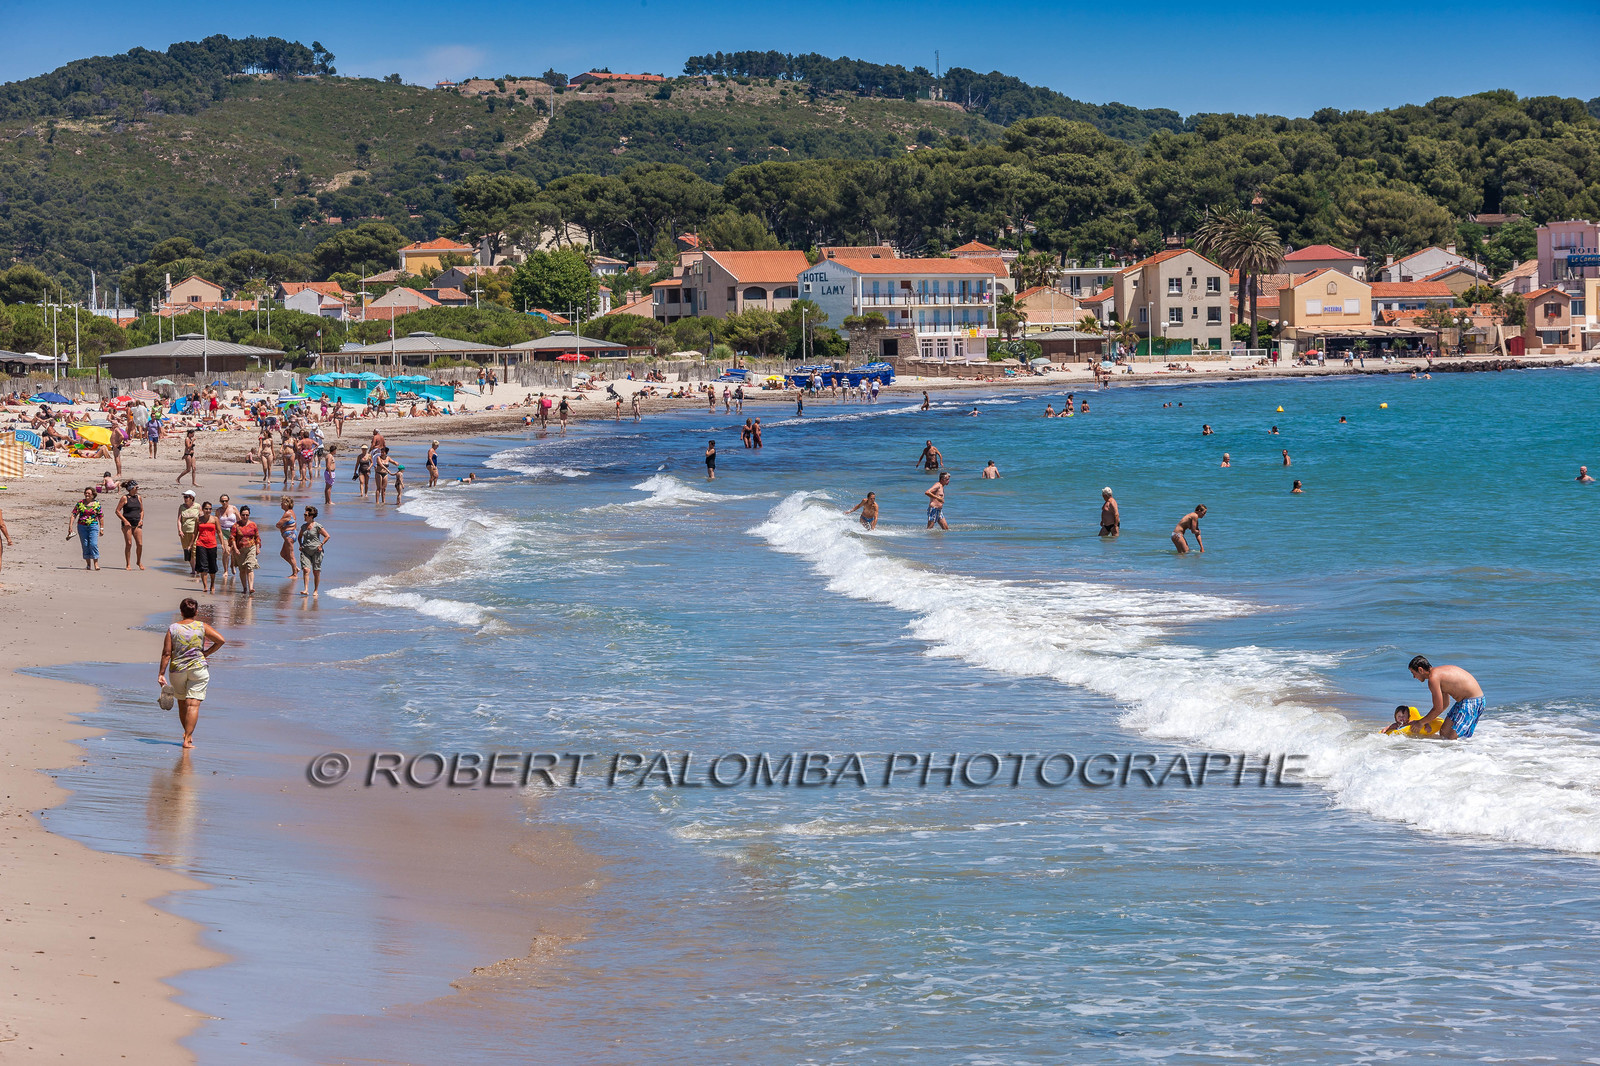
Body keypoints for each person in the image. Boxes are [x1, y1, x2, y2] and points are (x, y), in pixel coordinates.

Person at [157, 597, 225, 748]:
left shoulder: (173, 628)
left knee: (182, 703)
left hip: (177, 670)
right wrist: (206, 653)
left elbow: (166, 653)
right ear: (196, 612)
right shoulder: (202, 626)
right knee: (193, 705)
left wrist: (161, 673)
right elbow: (221, 640)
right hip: (198, 669)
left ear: (181, 612)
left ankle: (187, 734)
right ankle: (187, 738)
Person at [1405, 655, 1485, 740]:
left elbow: (1438, 708)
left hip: (1473, 702)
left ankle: (1468, 751)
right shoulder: (1437, 674)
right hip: (1464, 701)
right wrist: (1426, 721)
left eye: (1413, 673)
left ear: (1420, 670)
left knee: (1451, 738)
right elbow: (1445, 704)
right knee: (1444, 733)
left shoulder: (1433, 679)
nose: (1414, 677)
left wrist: (1420, 722)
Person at [297, 506, 331, 595]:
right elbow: (299, 537)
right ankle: (306, 589)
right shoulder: (303, 526)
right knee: (306, 569)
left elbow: (327, 536)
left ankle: (315, 590)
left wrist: (321, 545)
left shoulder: (317, 526)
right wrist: (300, 545)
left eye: (305, 515)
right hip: (305, 551)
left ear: (311, 516)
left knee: (316, 571)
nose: (304, 516)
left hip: (316, 551)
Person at [69, 487, 104, 571]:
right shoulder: (80, 503)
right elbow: (74, 514)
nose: (87, 495)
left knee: (93, 544)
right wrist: (70, 526)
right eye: (86, 493)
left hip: (93, 526)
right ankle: (88, 564)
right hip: (82, 526)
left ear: (93, 495)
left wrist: (101, 528)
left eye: (89, 493)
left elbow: (101, 517)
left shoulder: (96, 504)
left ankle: (96, 564)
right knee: (85, 545)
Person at [191, 501, 222, 593]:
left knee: (212, 567)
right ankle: (205, 586)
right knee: (203, 566)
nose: (208, 510)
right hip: (201, 544)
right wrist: (191, 543)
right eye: (206, 509)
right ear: (203, 510)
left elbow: (219, 532)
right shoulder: (198, 519)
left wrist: (223, 545)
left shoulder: (215, 519)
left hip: (212, 544)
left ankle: (212, 584)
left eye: (210, 509)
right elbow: (195, 532)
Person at [115, 480, 145, 570]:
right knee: (129, 543)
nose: (137, 489)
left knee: (139, 544)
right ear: (131, 488)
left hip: (137, 523)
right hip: (127, 524)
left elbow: (142, 510)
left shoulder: (139, 497)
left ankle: (138, 561)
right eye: (136, 488)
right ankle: (128, 564)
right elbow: (117, 511)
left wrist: (141, 519)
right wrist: (125, 521)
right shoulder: (124, 498)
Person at [231, 505, 260, 596]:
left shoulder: (253, 524)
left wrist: (258, 547)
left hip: (251, 547)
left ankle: (251, 587)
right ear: (240, 514)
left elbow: (257, 537)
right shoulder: (236, 525)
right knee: (242, 570)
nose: (245, 517)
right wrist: (235, 549)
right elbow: (232, 538)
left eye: (247, 515)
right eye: (243, 515)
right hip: (240, 549)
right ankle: (244, 587)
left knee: (249, 567)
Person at [177, 490, 201, 574]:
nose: (185, 499)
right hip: (184, 532)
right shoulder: (182, 507)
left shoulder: (197, 506)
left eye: (187, 497)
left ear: (192, 498)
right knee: (187, 550)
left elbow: (201, 519)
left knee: (195, 550)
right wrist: (180, 530)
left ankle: (197, 569)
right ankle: (193, 569)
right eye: (184, 497)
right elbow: (179, 520)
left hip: (195, 532)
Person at [216, 494, 239, 581]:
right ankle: (225, 571)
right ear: (220, 502)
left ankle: (232, 565)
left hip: (233, 532)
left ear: (228, 501)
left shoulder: (233, 508)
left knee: (233, 552)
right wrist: (217, 532)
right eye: (222, 501)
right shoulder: (218, 511)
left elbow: (239, 519)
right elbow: (216, 522)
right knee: (226, 551)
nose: (224, 502)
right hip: (223, 532)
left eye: (226, 500)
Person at [276, 496, 299, 580]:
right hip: (290, 535)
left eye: (282, 502)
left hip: (290, 535)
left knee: (291, 554)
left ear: (286, 504)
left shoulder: (288, 513)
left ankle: (295, 574)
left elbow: (278, 524)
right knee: (283, 554)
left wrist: (281, 528)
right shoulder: (290, 512)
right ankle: (295, 568)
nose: (281, 504)